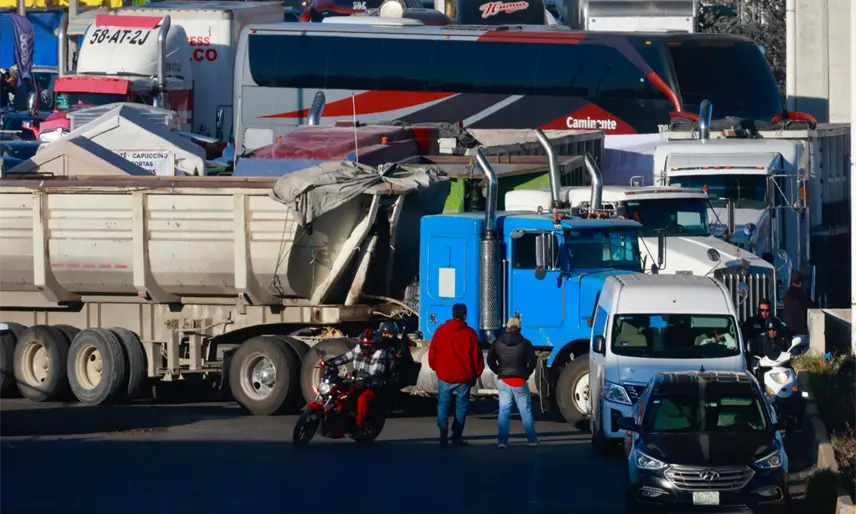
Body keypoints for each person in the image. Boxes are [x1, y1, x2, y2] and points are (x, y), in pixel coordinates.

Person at [428, 303, 484, 446]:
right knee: (461, 406)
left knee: (443, 404)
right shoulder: (470, 333)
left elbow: (433, 350)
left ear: (453, 314)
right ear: (464, 315)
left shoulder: (441, 330)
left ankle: (443, 427)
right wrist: (476, 373)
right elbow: (476, 356)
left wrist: (435, 366)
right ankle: (456, 435)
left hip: (445, 374)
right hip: (463, 376)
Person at [321, 328, 393, 429]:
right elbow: (345, 357)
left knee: (362, 399)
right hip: (356, 381)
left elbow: (378, 370)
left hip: (372, 385)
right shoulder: (358, 349)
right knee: (338, 391)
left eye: (369, 344)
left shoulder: (380, 354)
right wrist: (330, 362)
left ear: (374, 345)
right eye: (363, 343)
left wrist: (368, 378)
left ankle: (359, 425)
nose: (365, 345)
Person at [486, 317, 538, 449]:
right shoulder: (526, 343)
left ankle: (502, 441)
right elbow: (532, 361)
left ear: (507, 328)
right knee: (525, 411)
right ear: (519, 329)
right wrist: (526, 374)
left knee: (504, 411)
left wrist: (499, 371)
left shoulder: (497, 342)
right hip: (520, 380)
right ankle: (531, 439)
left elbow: (490, 360)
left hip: (504, 380)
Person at [783, 271, 815, 352]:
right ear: (800, 283)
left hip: (790, 333)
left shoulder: (786, 295)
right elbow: (813, 307)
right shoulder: (802, 295)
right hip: (802, 332)